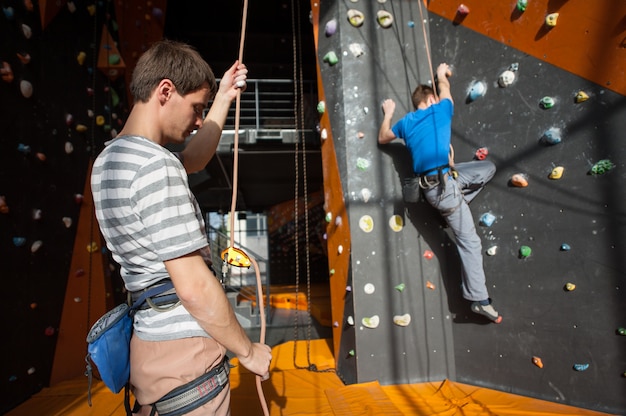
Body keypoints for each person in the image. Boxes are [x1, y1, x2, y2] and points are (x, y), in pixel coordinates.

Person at [91, 40, 272, 415]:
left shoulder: (110, 160)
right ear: (165, 90)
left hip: (150, 347)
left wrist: (222, 97)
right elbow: (192, 288)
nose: (199, 120)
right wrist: (248, 350)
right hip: (186, 353)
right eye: (195, 108)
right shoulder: (156, 167)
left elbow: (191, 159)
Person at [378, 63, 502, 324]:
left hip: (442, 183)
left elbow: (382, 138)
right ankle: (478, 300)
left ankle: (451, 211)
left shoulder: (406, 123)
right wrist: (441, 73)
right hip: (444, 190)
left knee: (486, 169)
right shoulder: (442, 108)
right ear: (432, 98)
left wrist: (388, 113)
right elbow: (445, 86)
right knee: (470, 242)